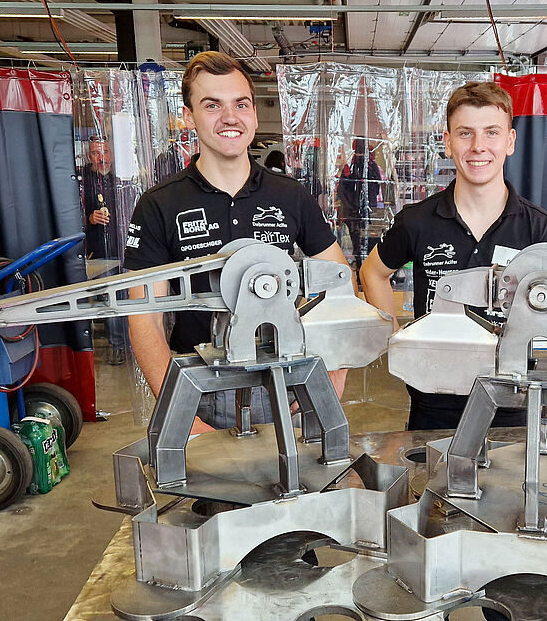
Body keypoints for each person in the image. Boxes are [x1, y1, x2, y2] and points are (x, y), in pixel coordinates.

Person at [123, 51, 350, 434]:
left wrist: (334, 373)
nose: (230, 117)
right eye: (212, 105)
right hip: (199, 388)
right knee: (216, 494)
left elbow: (340, 284)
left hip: (289, 378)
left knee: (302, 489)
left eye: (240, 104)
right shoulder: (160, 204)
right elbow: (143, 316)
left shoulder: (290, 196)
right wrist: (181, 413)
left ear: (254, 113)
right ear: (189, 115)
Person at [359, 81, 547, 447]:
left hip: (515, 401)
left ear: (510, 141)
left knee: (512, 498)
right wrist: (396, 340)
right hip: (434, 399)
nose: (478, 147)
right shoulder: (417, 220)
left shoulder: (537, 226)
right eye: (465, 133)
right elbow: (373, 272)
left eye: (491, 133)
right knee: (432, 496)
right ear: (448, 141)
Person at [80, 139, 128, 366]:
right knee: (110, 299)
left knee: (133, 297)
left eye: (105, 152)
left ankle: (134, 344)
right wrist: (88, 219)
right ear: (88, 156)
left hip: (128, 248)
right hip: (98, 252)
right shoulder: (80, 181)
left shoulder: (124, 178)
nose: (101, 158)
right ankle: (118, 346)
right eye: (95, 153)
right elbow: (68, 217)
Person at [338, 138, 384, 269]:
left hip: (355, 213)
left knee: (358, 245)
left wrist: (352, 207)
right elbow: (375, 189)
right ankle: (365, 271)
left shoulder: (350, 167)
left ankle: (361, 271)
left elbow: (342, 191)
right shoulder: (370, 166)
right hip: (364, 212)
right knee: (367, 244)